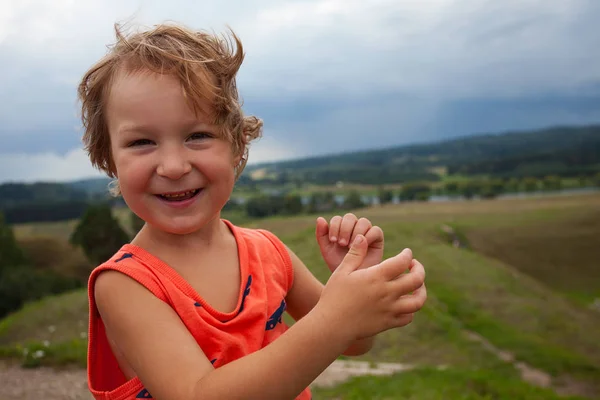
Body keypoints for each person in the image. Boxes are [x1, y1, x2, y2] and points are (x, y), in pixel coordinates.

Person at [78, 22, 427, 400]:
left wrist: (354, 287)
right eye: (142, 142)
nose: (174, 166)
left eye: (197, 136)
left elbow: (353, 343)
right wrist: (336, 317)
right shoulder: (126, 284)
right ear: (108, 158)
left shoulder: (270, 254)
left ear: (236, 145)